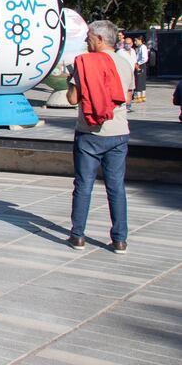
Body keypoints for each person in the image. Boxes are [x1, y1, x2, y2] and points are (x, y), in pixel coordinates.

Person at [66, 20, 134, 254]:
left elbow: (73, 99)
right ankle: (120, 239)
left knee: (84, 185)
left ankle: (77, 236)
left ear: (100, 39)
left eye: (89, 37)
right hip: (118, 133)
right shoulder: (125, 63)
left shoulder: (85, 63)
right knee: (116, 186)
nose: (86, 41)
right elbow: (126, 98)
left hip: (89, 134)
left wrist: (70, 81)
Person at [115, 37, 136, 112]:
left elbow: (134, 61)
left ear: (132, 44)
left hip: (131, 73)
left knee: (131, 90)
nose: (128, 45)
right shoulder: (120, 52)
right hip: (123, 73)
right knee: (125, 89)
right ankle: (124, 105)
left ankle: (129, 105)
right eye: (126, 43)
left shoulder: (133, 51)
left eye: (129, 43)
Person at [134, 36, 148, 102]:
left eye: (136, 41)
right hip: (140, 64)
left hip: (140, 65)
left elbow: (144, 58)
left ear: (140, 40)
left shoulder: (143, 47)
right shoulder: (140, 47)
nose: (135, 42)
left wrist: (138, 63)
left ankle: (139, 97)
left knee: (139, 80)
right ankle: (142, 96)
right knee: (140, 80)